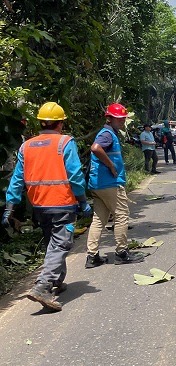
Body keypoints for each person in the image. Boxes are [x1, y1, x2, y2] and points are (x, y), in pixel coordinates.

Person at [2, 102, 92, 311]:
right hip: (62, 203)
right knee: (61, 244)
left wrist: (9, 207)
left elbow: (17, 179)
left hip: (39, 205)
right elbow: (75, 175)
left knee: (52, 241)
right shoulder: (64, 143)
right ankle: (43, 286)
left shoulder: (27, 146)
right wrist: (83, 200)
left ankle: (57, 282)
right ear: (60, 124)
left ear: (41, 122)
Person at [86, 102, 143, 267]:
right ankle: (121, 253)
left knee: (99, 219)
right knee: (122, 215)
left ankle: (92, 256)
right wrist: (111, 165)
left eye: (123, 119)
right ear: (109, 118)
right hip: (110, 183)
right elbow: (95, 148)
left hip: (98, 185)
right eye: (118, 119)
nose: (122, 122)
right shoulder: (107, 134)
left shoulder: (108, 133)